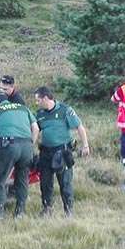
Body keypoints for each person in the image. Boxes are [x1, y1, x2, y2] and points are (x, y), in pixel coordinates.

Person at [34, 86, 90, 216]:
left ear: (46, 98)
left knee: (65, 183)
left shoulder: (66, 110)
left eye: (38, 100)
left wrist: (85, 145)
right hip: (45, 153)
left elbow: (79, 127)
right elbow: (35, 129)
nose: (36, 103)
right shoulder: (40, 114)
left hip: (62, 152)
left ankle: (68, 210)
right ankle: (47, 208)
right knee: (45, 183)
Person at [0, 92, 39, 220]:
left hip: (9, 146)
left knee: (0, 180)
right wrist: (31, 143)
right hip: (27, 146)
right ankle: (20, 212)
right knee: (22, 178)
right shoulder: (23, 108)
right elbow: (35, 128)